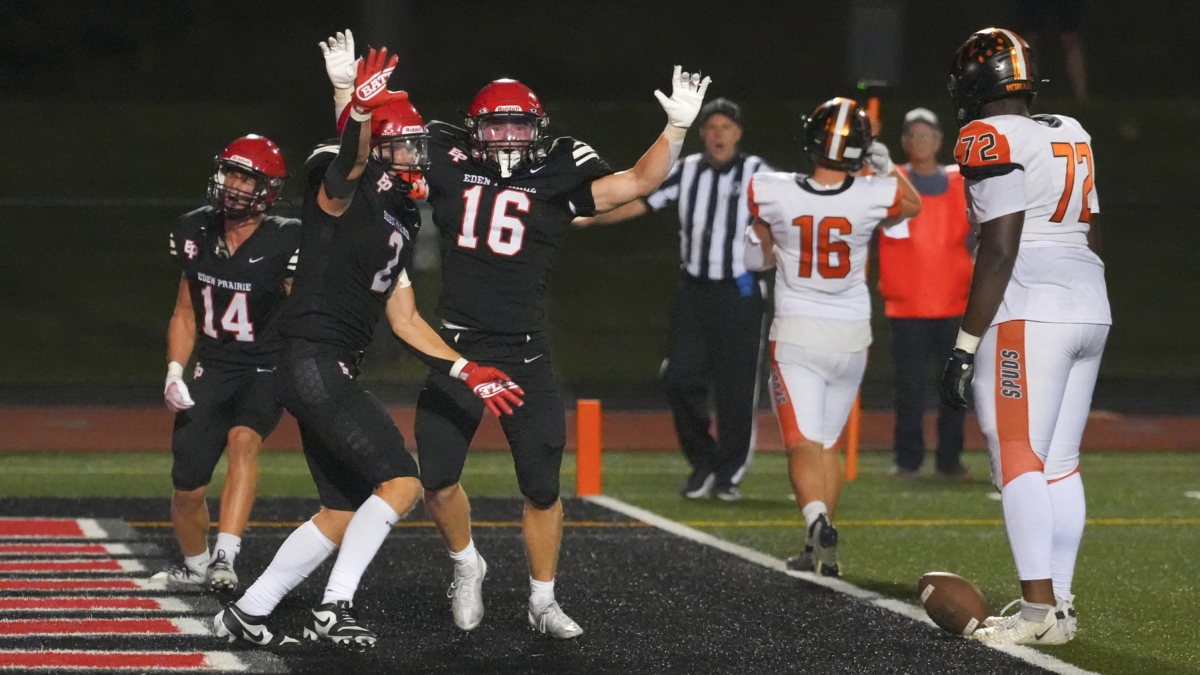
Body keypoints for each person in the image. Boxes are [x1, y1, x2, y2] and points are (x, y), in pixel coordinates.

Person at [332, 63, 707, 639]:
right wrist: (350, 100)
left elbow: (635, 182)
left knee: (541, 485)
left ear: (538, 128)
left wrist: (676, 130)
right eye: (496, 127)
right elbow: (365, 159)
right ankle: (466, 564)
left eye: (518, 127)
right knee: (436, 478)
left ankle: (542, 598)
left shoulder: (562, 164)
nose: (507, 138)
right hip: (455, 344)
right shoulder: (444, 152)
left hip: (525, 352)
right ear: (473, 128)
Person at [215, 43, 523, 649]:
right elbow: (347, 164)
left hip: (322, 367)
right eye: (406, 143)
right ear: (380, 149)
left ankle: (247, 612)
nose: (416, 155)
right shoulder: (345, 195)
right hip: (311, 359)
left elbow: (405, 321)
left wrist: (466, 369)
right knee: (402, 483)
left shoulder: (400, 220)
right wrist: (355, 108)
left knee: (340, 509)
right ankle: (334, 608)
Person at [940, 28, 1109, 645]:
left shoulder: (987, 136)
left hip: (1029, 307)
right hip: (1089, 301)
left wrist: (963, 343)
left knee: (1019, 460)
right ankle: (1058, 606)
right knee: (1059, 464)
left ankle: (1039, 614)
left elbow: (1001, 246)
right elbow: (1090, 230)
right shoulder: (1071, 130)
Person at [744, 98, 920, 576]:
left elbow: (755, 256)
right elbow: (912, 204)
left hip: (798, 333)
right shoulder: (871, 193)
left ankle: (816, 518)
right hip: (852, 337)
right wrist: (885, 167)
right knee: (827, 446)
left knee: (802, 444)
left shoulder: (770, 189)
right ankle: (819, 548)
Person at [575, 98, 771, 502]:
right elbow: (639, 202)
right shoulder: (687, 172)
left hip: (740, 293)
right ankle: (703, 461)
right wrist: (589, 215)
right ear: (702, 133)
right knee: (679, 377)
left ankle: (728, 474)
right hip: (695, 291)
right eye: (711, 127)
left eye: (725, 128)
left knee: (736, 390)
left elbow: (789, 218)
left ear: (738, 133)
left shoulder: (760, 175)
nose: (717, 135)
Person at [157, 135, 298, 592]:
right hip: (213, 366)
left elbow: (303, 309)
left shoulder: (286, 239)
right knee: (186, 486)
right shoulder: (193, 230)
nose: (234, 185)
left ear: (267, 188)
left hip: (264, 364)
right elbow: (184, 310)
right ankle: (196, 565)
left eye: (247, 177)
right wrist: (175, 371)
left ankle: (225, 556)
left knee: (243, 441)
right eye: (231, 173)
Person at [878, 108, 974, 480]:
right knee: (909, 391)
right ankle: (908, 460)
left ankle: (950, 460)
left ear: (939, 141)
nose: (921, 142)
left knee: (954, 388)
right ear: (904, 142)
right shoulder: (892, 181)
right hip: (907, 307)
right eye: (913, 136)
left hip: (954, 304)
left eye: (927, 135)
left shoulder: (960, 183)